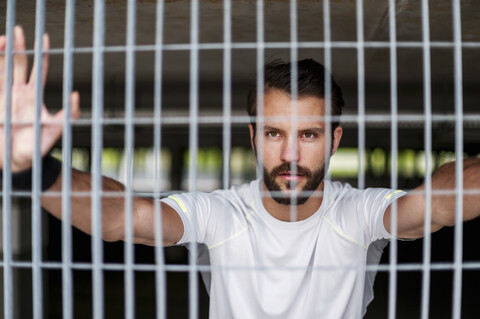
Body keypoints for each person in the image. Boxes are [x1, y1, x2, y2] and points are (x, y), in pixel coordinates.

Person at [1, 26, 480, 318]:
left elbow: (435, 202)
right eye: (274, 134)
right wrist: (31, 169)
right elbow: (128, 218)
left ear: (334, 140)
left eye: (308, 135)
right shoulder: (224, 214)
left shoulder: (355, 213)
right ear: (253, 137)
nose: (290, 155)